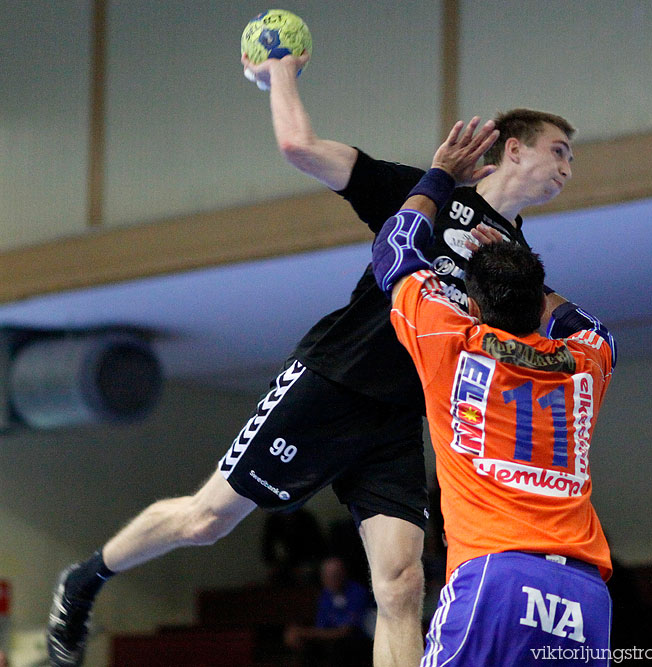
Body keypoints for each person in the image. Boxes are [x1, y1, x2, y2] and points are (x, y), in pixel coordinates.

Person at [47, 48, 573, 667]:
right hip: (332, 381)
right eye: (559, 149)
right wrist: (280, 73)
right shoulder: (421, 190)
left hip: (397, 421)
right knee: (206, 521)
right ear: (513, 149)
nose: (568, 165)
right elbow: (299, 146)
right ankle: (83, 581)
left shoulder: (511, 254)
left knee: (402, 585)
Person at [371, 122, 617, 665]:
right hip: (584, 596)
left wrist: (439, 176)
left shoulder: (450, 342)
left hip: (495, 574)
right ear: (538, 309)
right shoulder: (586, 361)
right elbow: (595, 330)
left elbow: (394, 251)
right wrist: (524, 269)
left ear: (474, 307)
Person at [284, 556, 372, 666]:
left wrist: (303, 632)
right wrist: (299, 634)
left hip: (356, 644)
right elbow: (322, 627)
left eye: (335, 575)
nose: (331, 580)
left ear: (344, 574)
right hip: (331, 642)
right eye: (327, 576)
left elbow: (345, 632)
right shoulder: (325, 595)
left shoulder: (358, 593)